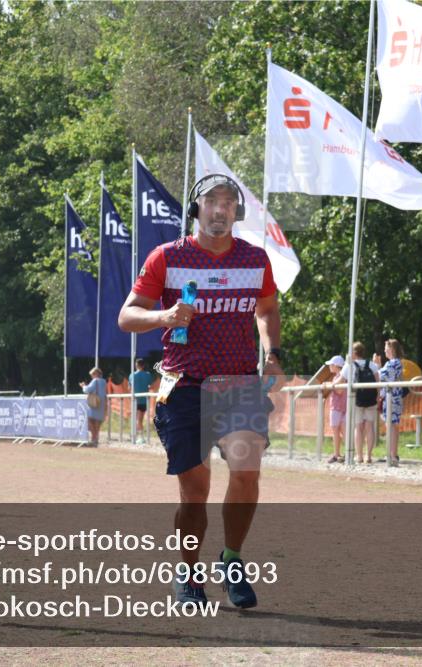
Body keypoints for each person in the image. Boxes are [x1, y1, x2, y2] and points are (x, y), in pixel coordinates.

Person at [118, 172, 282, 611]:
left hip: (239, 383)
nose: (220, 209)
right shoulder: (166, 257)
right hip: (185, 387)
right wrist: (164, 316)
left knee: (247, 472)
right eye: (212, 201)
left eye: (228, 203)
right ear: (197, 209)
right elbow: (127, 316)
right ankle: (189, 573)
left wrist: (272, 353)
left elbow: (267, 309)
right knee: (195, 492)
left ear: (236, 212)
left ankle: (232, 559)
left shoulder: (255, 259)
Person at [334, 342, 381, 464]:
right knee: (370, 426)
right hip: (371, 399)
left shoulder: (349, 366)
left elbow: (339, 381)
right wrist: (377, 396)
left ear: (354, 353)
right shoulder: (372, 365)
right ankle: (368, 456)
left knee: (358, 427)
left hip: (356, 400)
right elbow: (378, 382)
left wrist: (330, 385)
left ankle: (359, 456)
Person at [379, 339, 405, 466]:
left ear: (392, 349)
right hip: (392, 397)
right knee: (392, 425)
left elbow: (382, 376)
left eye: (386, 348)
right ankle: (392, 454)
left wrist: (376, 366)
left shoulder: (394, 363)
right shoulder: (394, 362)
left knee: (391, 425)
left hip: (392, 398)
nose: (384, 351)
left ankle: (392, 455)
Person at [324, 355, 346, 464]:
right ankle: (337, 454)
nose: (330, 366)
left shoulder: (342, 376)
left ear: (336, 366)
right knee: (336, 431)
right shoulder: (337, 377)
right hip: (338, 407)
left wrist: (330, 385)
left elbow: (340, 390)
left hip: (338, 407)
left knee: (341, 431)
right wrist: (331, 384)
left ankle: (341, 454)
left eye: (331, 365)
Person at [80, 367, 106, 446]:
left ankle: (93, 438)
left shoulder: (95, 381)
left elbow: (87, 390)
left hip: (94, 403)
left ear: (96, 374)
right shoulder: (104, 381)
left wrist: (83, 386)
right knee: (97, 422)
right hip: (101, 403)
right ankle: (95, 439)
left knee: (90, 421)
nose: (91, 377)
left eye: (92, 375)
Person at [131, 358, 153, 444]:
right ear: (143, 365)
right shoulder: (148, 375)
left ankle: (140, 436)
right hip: (144, 400)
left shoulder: (132, 375)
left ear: (136, 365)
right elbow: (150, 385)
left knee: (137, 419)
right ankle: (139, 436)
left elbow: (130, 387)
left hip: (135, 400)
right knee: (140, 419)